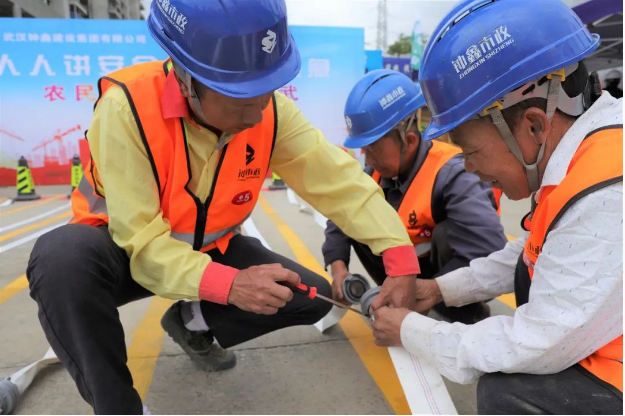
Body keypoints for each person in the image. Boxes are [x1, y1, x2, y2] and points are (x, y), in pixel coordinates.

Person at [25, 1, 420, 413]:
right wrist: (230, 286)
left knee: (315, 297)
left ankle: (191, 321)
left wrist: (399, 255)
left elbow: (338, 181)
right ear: (186, 79)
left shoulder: (270, 114)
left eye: (266, 93)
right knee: (60, 260)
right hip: (123, 253)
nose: (256, 113)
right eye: (239, 101)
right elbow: (142, 245)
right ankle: (118, 406)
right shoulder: (128, 110)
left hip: (211, 249)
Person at [372, 0, 623, 414]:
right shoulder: (586, 158)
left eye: (470, 151)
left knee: (513, 393)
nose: (469, 169)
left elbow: (538, 342)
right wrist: (438, 289)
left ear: (533, 126)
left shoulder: (608, 194)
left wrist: (412, 331)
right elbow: (533, 252)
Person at [322, 70, 507, 324]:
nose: (368, 158)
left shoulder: (453, 174)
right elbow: (341, 213)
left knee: (445, 233)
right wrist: (338, 266)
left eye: (373, 149)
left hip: (446, 276)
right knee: (356, 212)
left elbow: (488, 250)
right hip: (403, 273)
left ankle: (460, 310)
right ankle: (400, 297)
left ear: (408, 140)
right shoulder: (376, 173)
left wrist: (431, 290)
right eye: (363, 149)